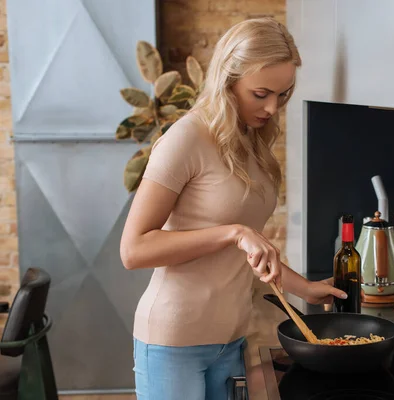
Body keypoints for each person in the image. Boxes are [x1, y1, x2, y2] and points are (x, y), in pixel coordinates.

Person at [119, 17, 348, 400]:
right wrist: (234, 232)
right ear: (228, 80)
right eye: (261, 94)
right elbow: (133, 250)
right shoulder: (185, 139)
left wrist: (305, 288)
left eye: (283, 95)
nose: (273, 108)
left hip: (230, 339)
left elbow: (247, 253)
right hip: (173, 341)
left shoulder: (250, 142)